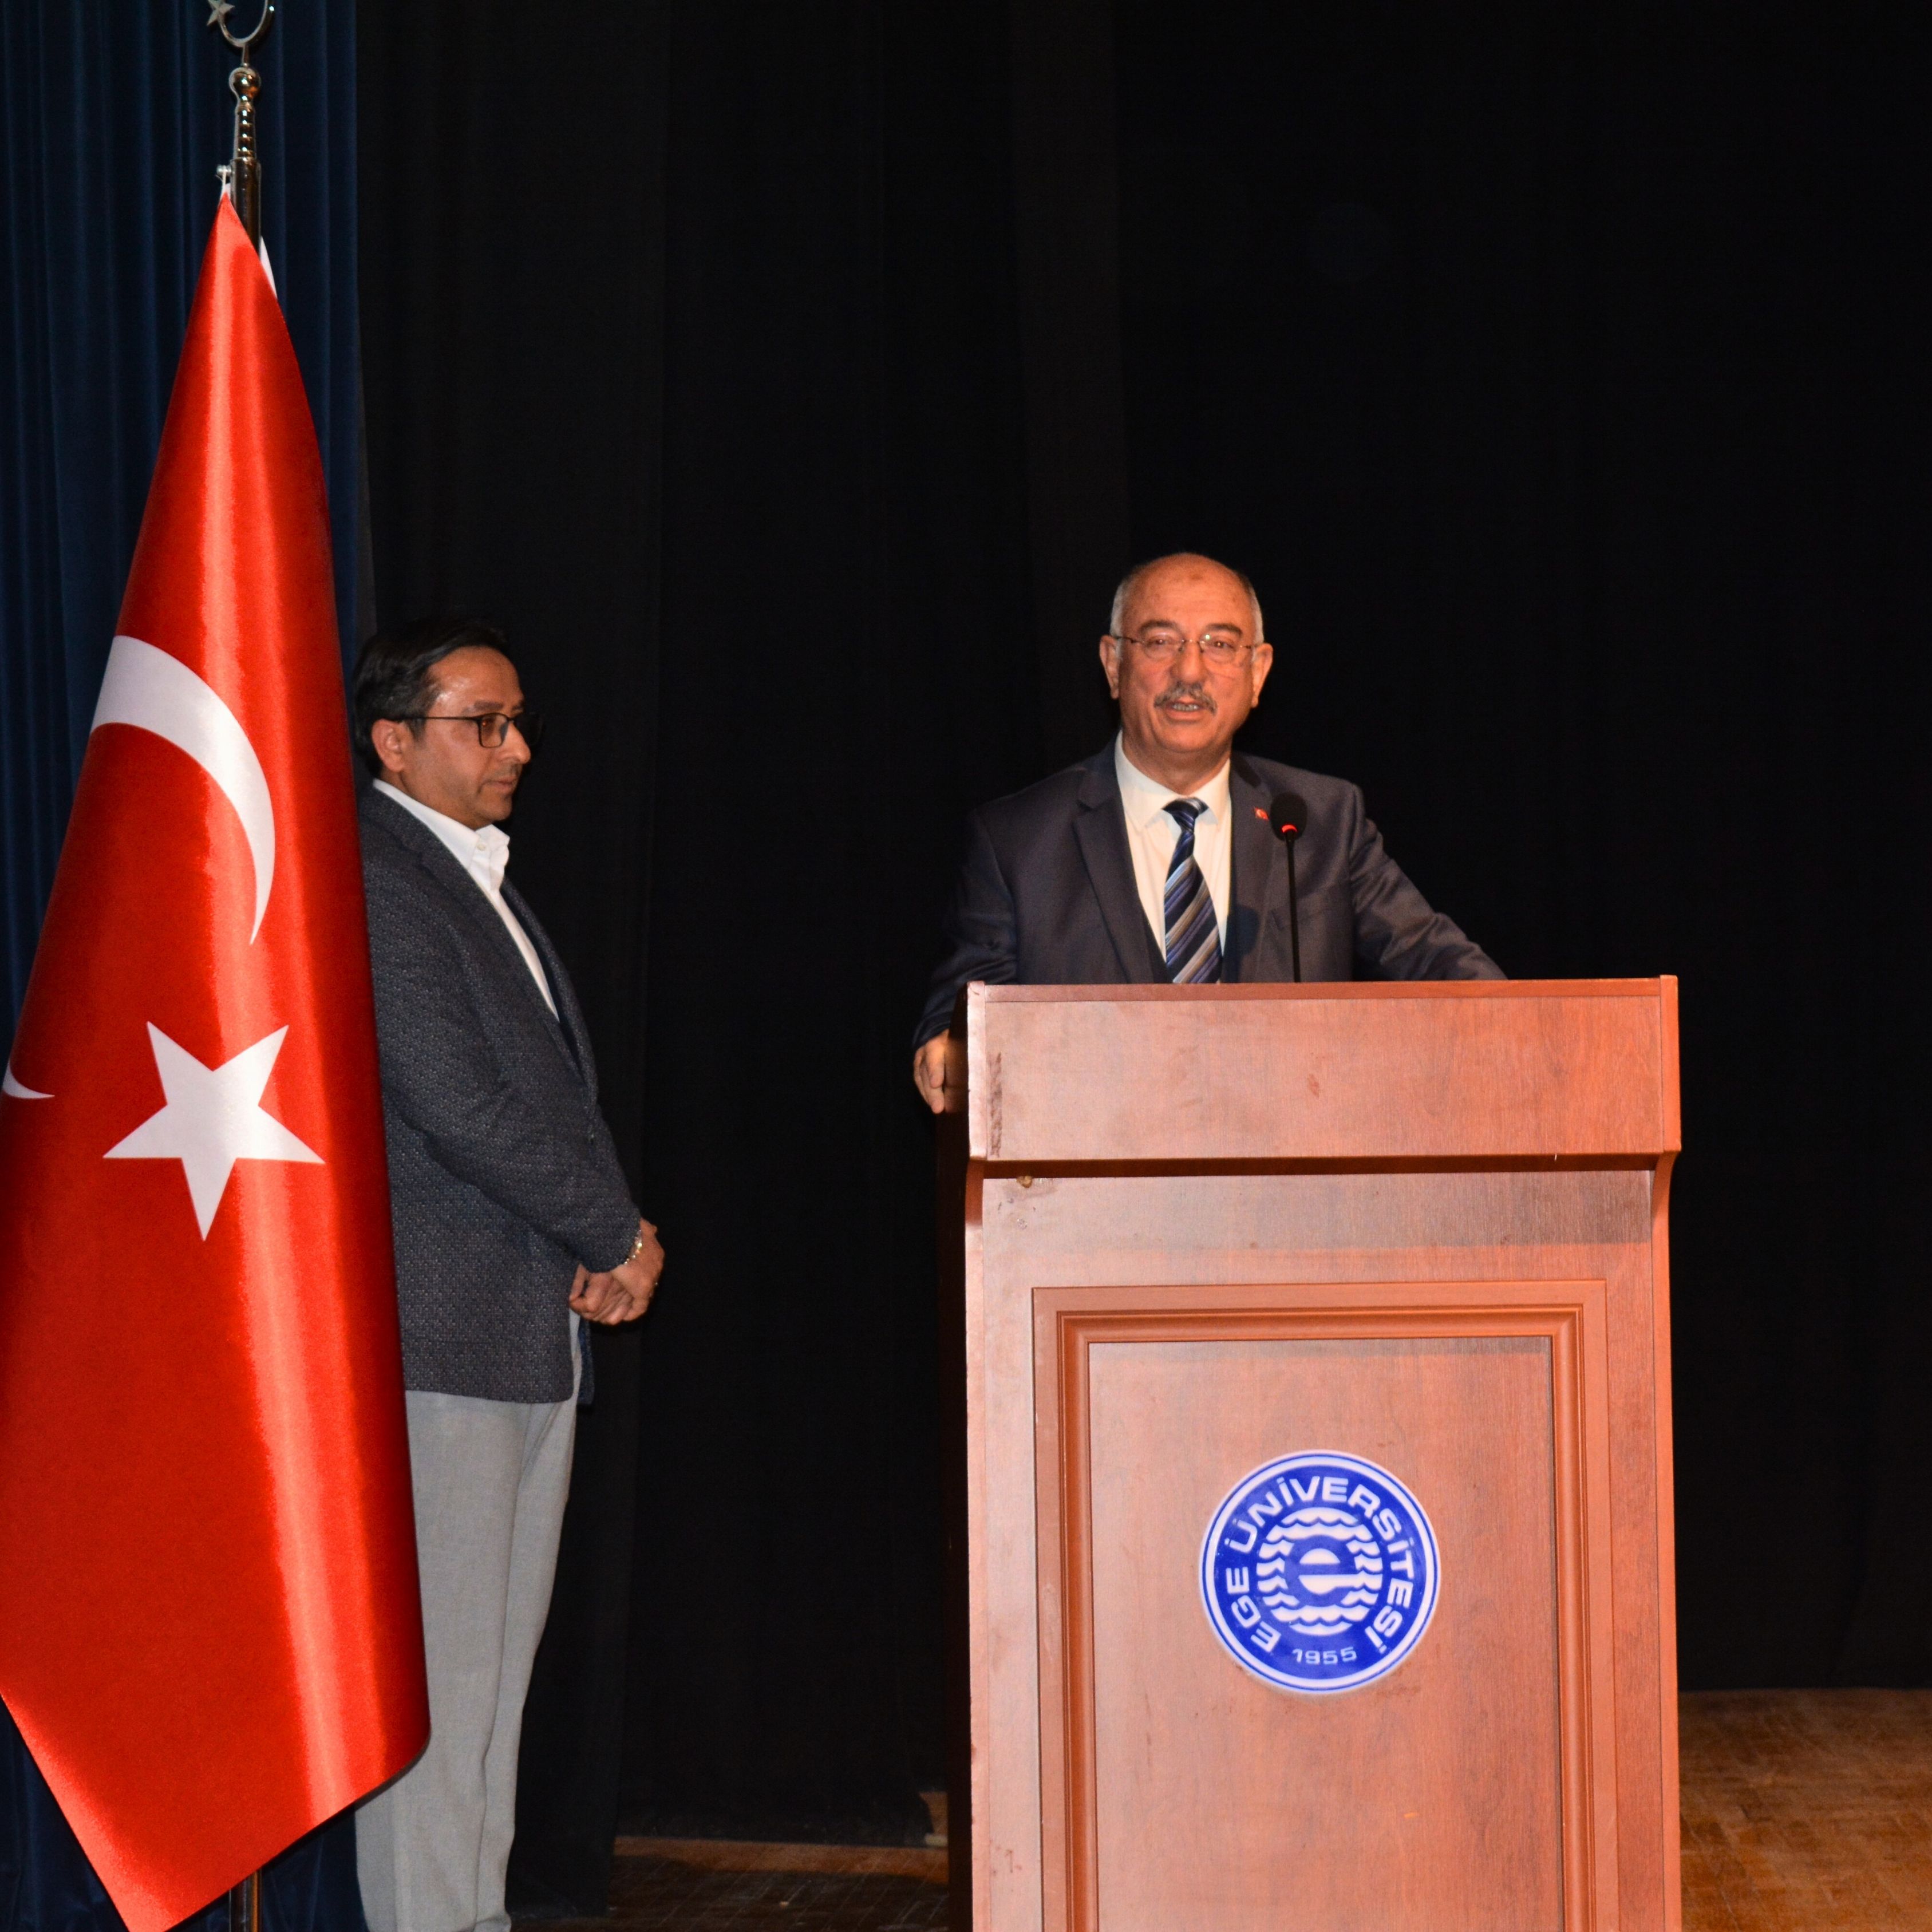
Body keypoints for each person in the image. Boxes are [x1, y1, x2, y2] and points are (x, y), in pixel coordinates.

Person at [350, 616, 665, 1932]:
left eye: (516, 719)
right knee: (441, 1683)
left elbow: (544, 1098)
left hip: (521, 1330)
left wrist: (600, 1235)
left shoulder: (463, 872)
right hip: (444, 1333)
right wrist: (614, 1229)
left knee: (491, 1684)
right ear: (394, 741)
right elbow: (458, 1102)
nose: (517, 746)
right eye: (483, 722)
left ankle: (468, 1916)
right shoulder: (380, 876)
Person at [913, 552, 1499, 1109]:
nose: (1189, 671)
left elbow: (1435, 962)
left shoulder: (1320, 819)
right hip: (1093, 1164)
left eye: (1219, 644)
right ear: (1113, 664)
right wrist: (945, 1046)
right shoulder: (1017, 840)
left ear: (1257, 672)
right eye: (1160, 642)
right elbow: (964, 1017)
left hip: (1286, 1161)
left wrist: (1526, 1034)